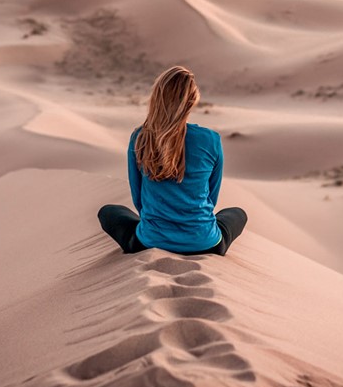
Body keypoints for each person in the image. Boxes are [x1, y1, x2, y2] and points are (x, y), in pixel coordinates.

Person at [98, 66, 248, 256]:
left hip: (149, 241)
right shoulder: (211, 139)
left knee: (109, 212)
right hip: (205, 243)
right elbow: (211, 197)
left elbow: (139, 200)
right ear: (192, 101)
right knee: (237, 214)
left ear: (156, 98)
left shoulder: (140, 137)